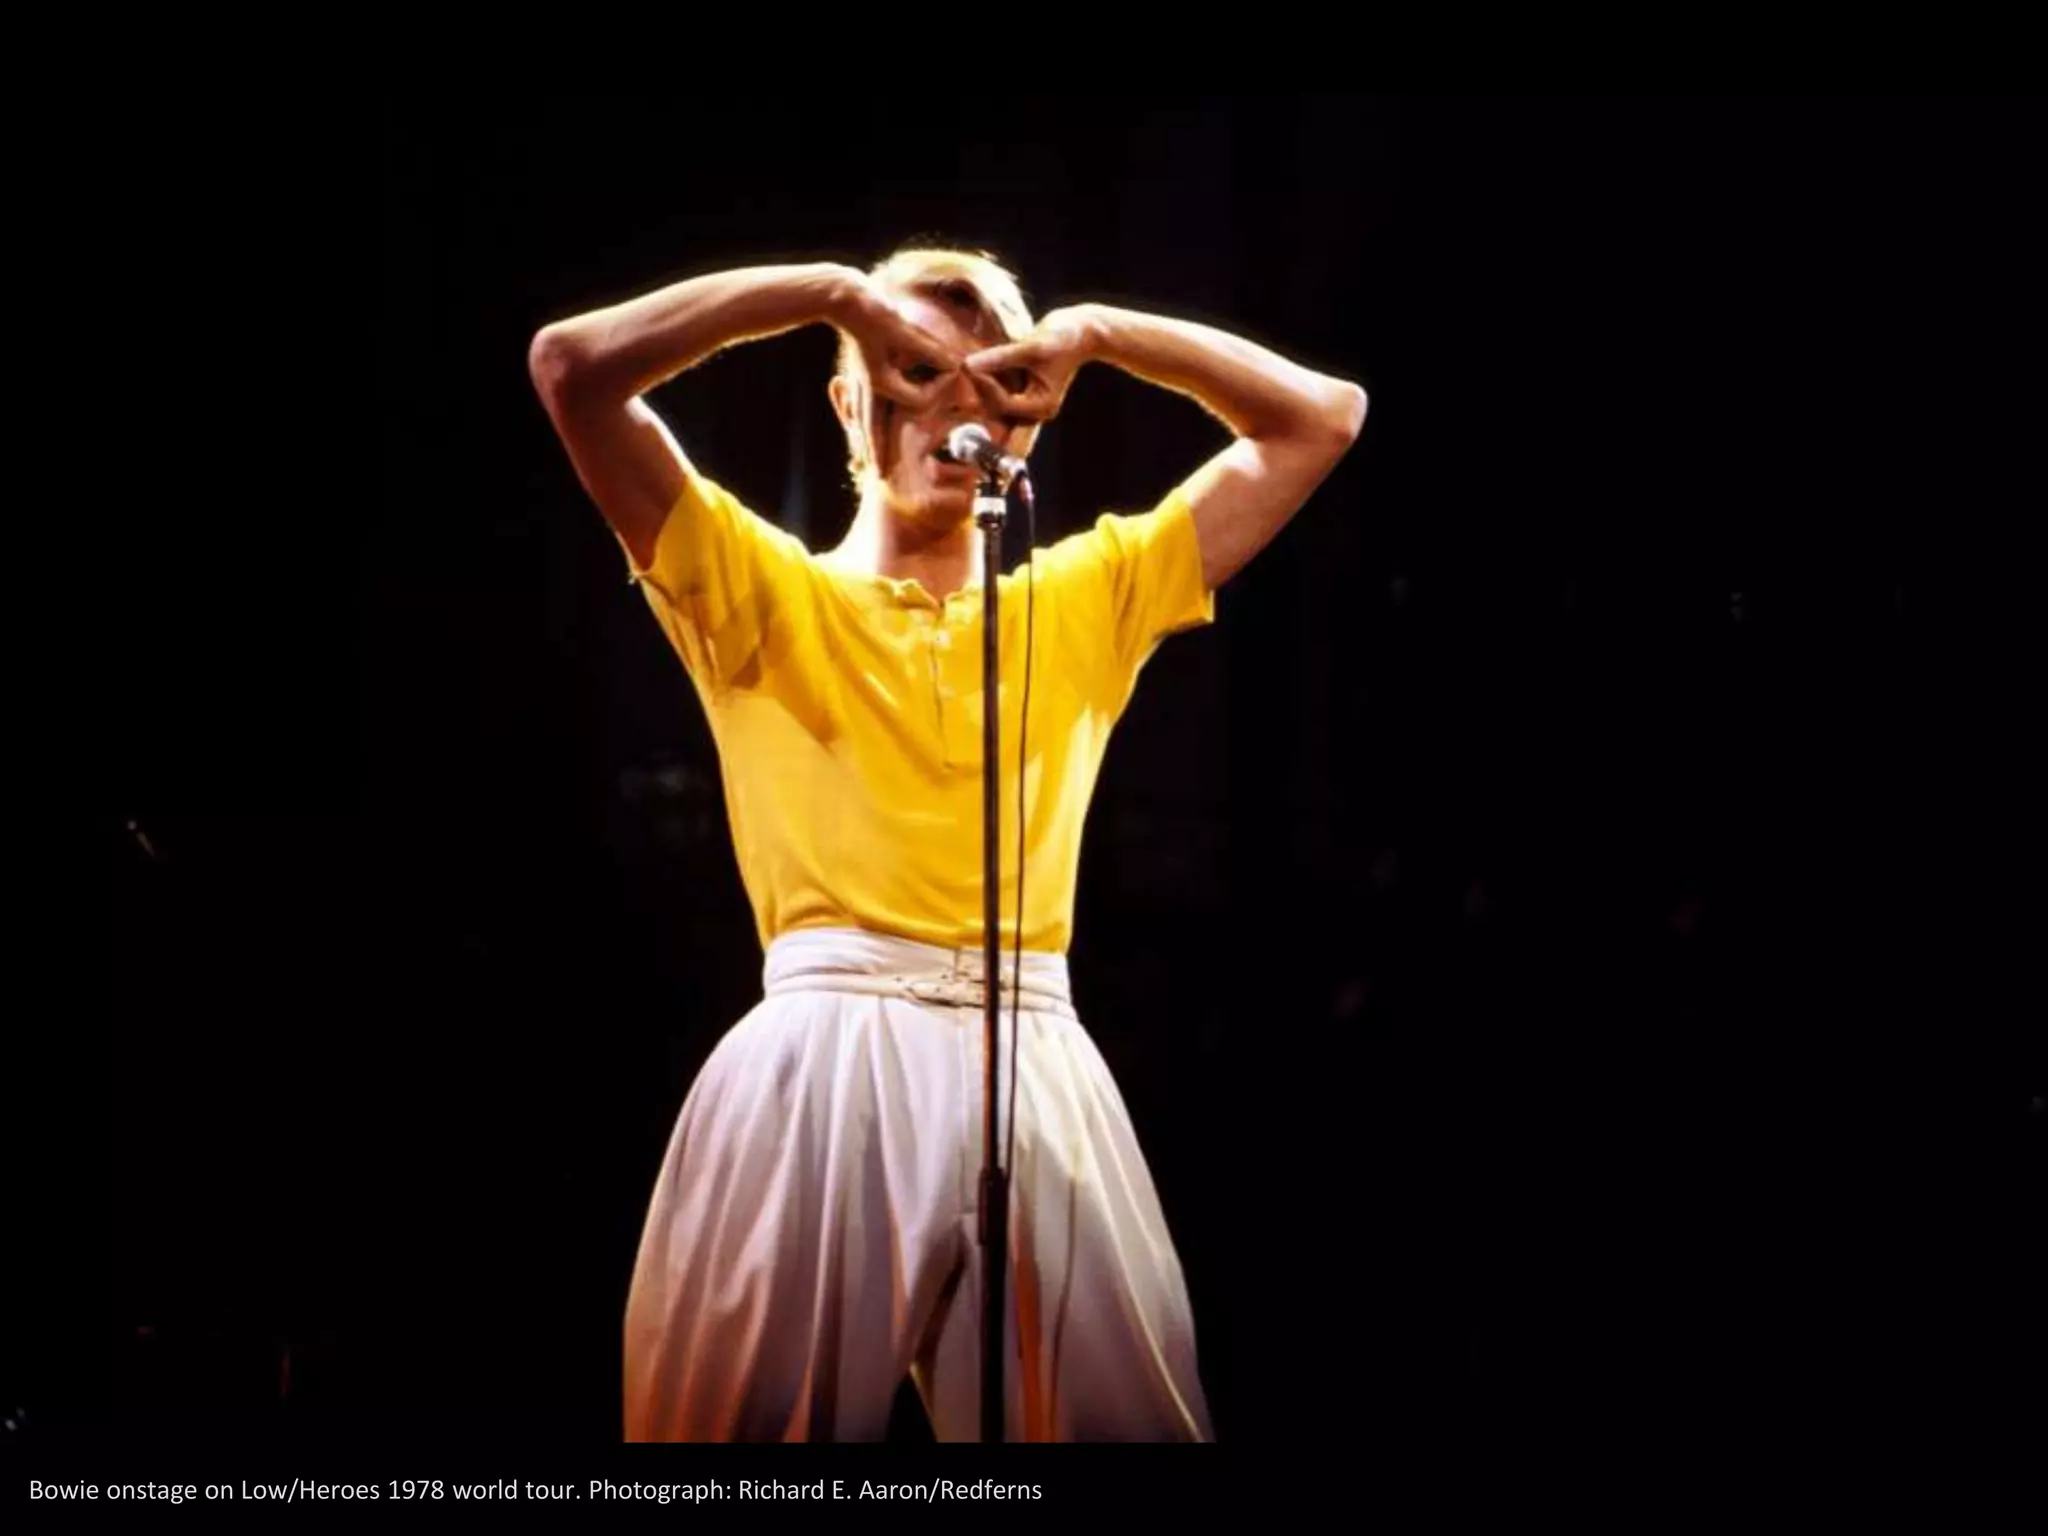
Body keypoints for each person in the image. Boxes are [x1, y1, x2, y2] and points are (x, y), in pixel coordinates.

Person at [527, 245, 1366, 1441]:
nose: (950, 406)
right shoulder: (759, 586)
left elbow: (1319, 420)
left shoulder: (1084, 595)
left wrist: (1092, 335)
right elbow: (572, 369)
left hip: (1032, 1051)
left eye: (986, 381)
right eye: (913, 372)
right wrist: (825, 295)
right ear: (849, 400)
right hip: (825, 1045)